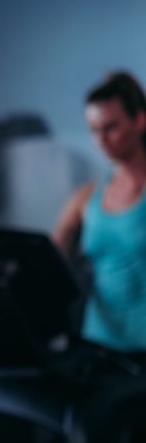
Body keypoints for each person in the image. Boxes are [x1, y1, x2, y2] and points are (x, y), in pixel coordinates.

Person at [53, 71, 146, 353]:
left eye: (110, 127)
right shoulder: (85, 199)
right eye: (94, 130)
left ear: (140, 120)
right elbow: (45, 265)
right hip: (99, 349)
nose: (101, 139)